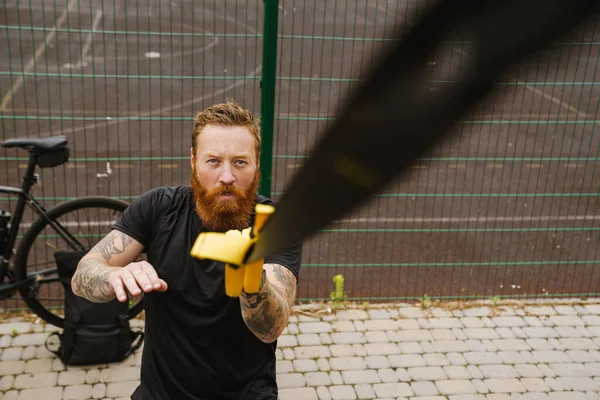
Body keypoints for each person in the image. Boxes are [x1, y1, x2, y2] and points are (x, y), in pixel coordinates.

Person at [71, 100, 302, 400]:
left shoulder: (274, 225)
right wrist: (115, 275)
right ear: (193, 162)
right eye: (214, 161)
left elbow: (271, 328)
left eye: (240, 162)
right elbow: (82, 276)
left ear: (257, 165)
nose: (227, 177)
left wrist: (252, 277)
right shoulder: (158, 208)